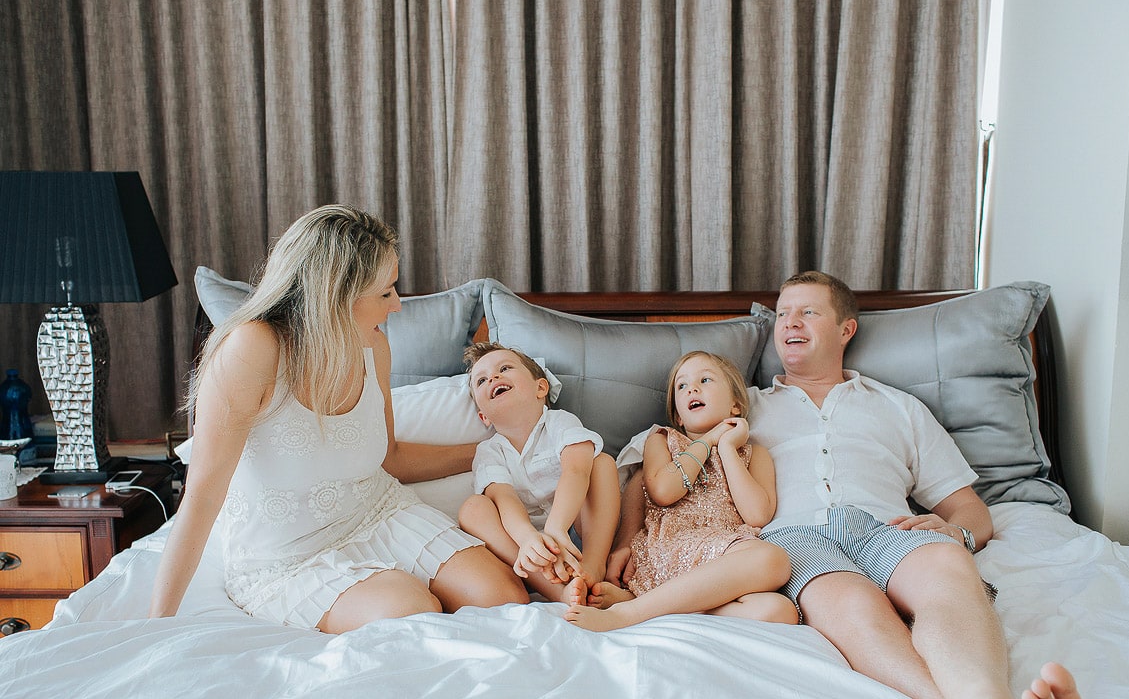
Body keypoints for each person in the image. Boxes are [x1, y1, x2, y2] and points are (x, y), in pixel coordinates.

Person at [748, 270, 1093, 699]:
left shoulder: (899, 407)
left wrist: (956, 532)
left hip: (885, 528)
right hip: (794, 538)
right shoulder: (745, 407)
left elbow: (970, 509)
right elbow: (660, 455)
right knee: (846, 602)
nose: (789, 323)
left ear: (846, 329)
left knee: (947, 569)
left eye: (808, 311)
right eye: (783, 313)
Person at [149, 205, 528, 632]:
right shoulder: (251, 349)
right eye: (386, 292)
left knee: (504, 602)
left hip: (378, 513)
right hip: (288, 557)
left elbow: (393, 458)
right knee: (411, 613)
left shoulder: (373, 347)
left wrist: (492, 449)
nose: (397, 305)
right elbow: (201, 496)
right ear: (335, 295)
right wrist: (155, 626)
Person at [565, 351, 796, 631]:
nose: (693, 389)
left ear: (736, 405)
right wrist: (708, 440)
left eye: (705, 380)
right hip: (668, 548)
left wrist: (726, 449)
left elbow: (757, 515)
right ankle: (629, 613)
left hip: (723, 558)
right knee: (773, 560)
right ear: (678, 415)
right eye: (682, 386)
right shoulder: (662, 441)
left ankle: (658, 604)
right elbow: (664, 490)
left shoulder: (753, 454)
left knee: (780, 611)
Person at [457, 342, 620, 604]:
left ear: (540, 388)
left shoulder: (560, 423)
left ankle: (593, 566)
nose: (494, 378)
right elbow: (505, 499)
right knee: (473, 507)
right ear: (483, 416)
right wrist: (528, 541)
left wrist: (557, 528)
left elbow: (576, 471)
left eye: (505, 368)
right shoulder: (489, 451)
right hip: (525, 550)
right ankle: (557, 591)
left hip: (575, 530)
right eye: (482, 380)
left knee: (601, 463)